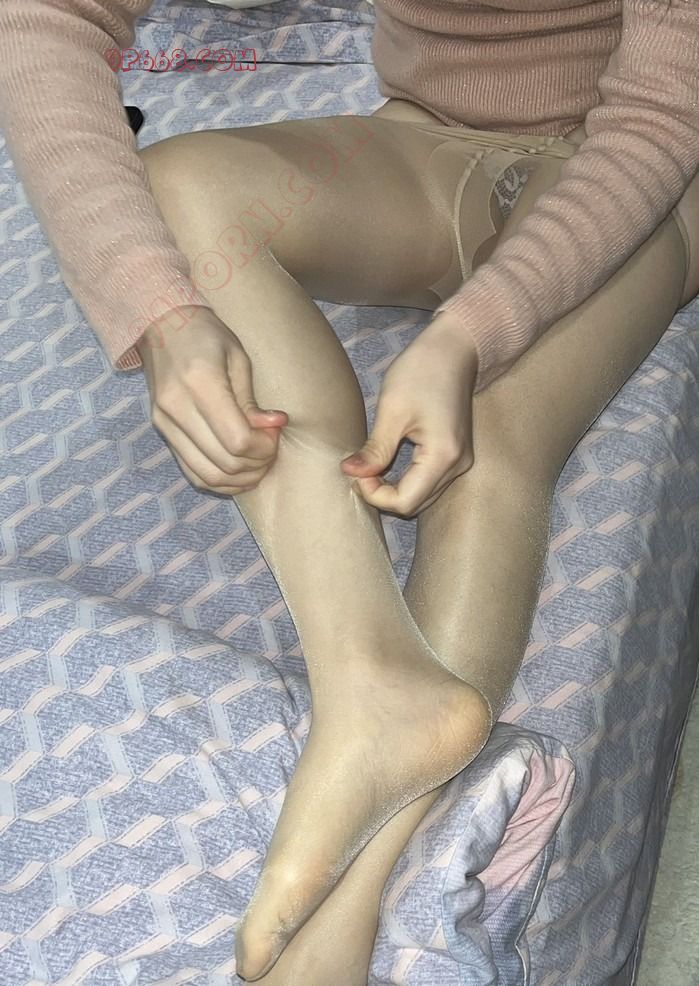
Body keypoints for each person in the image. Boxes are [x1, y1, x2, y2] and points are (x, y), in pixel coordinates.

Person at [1, 0, 698, 981]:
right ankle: (369, 677)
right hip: (424, 142)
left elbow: (662, 115)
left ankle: (362, 885)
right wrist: (161, 312)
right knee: (181, 186)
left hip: (650, 173)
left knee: (490, 435)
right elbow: (44, 19)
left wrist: (468, 333)